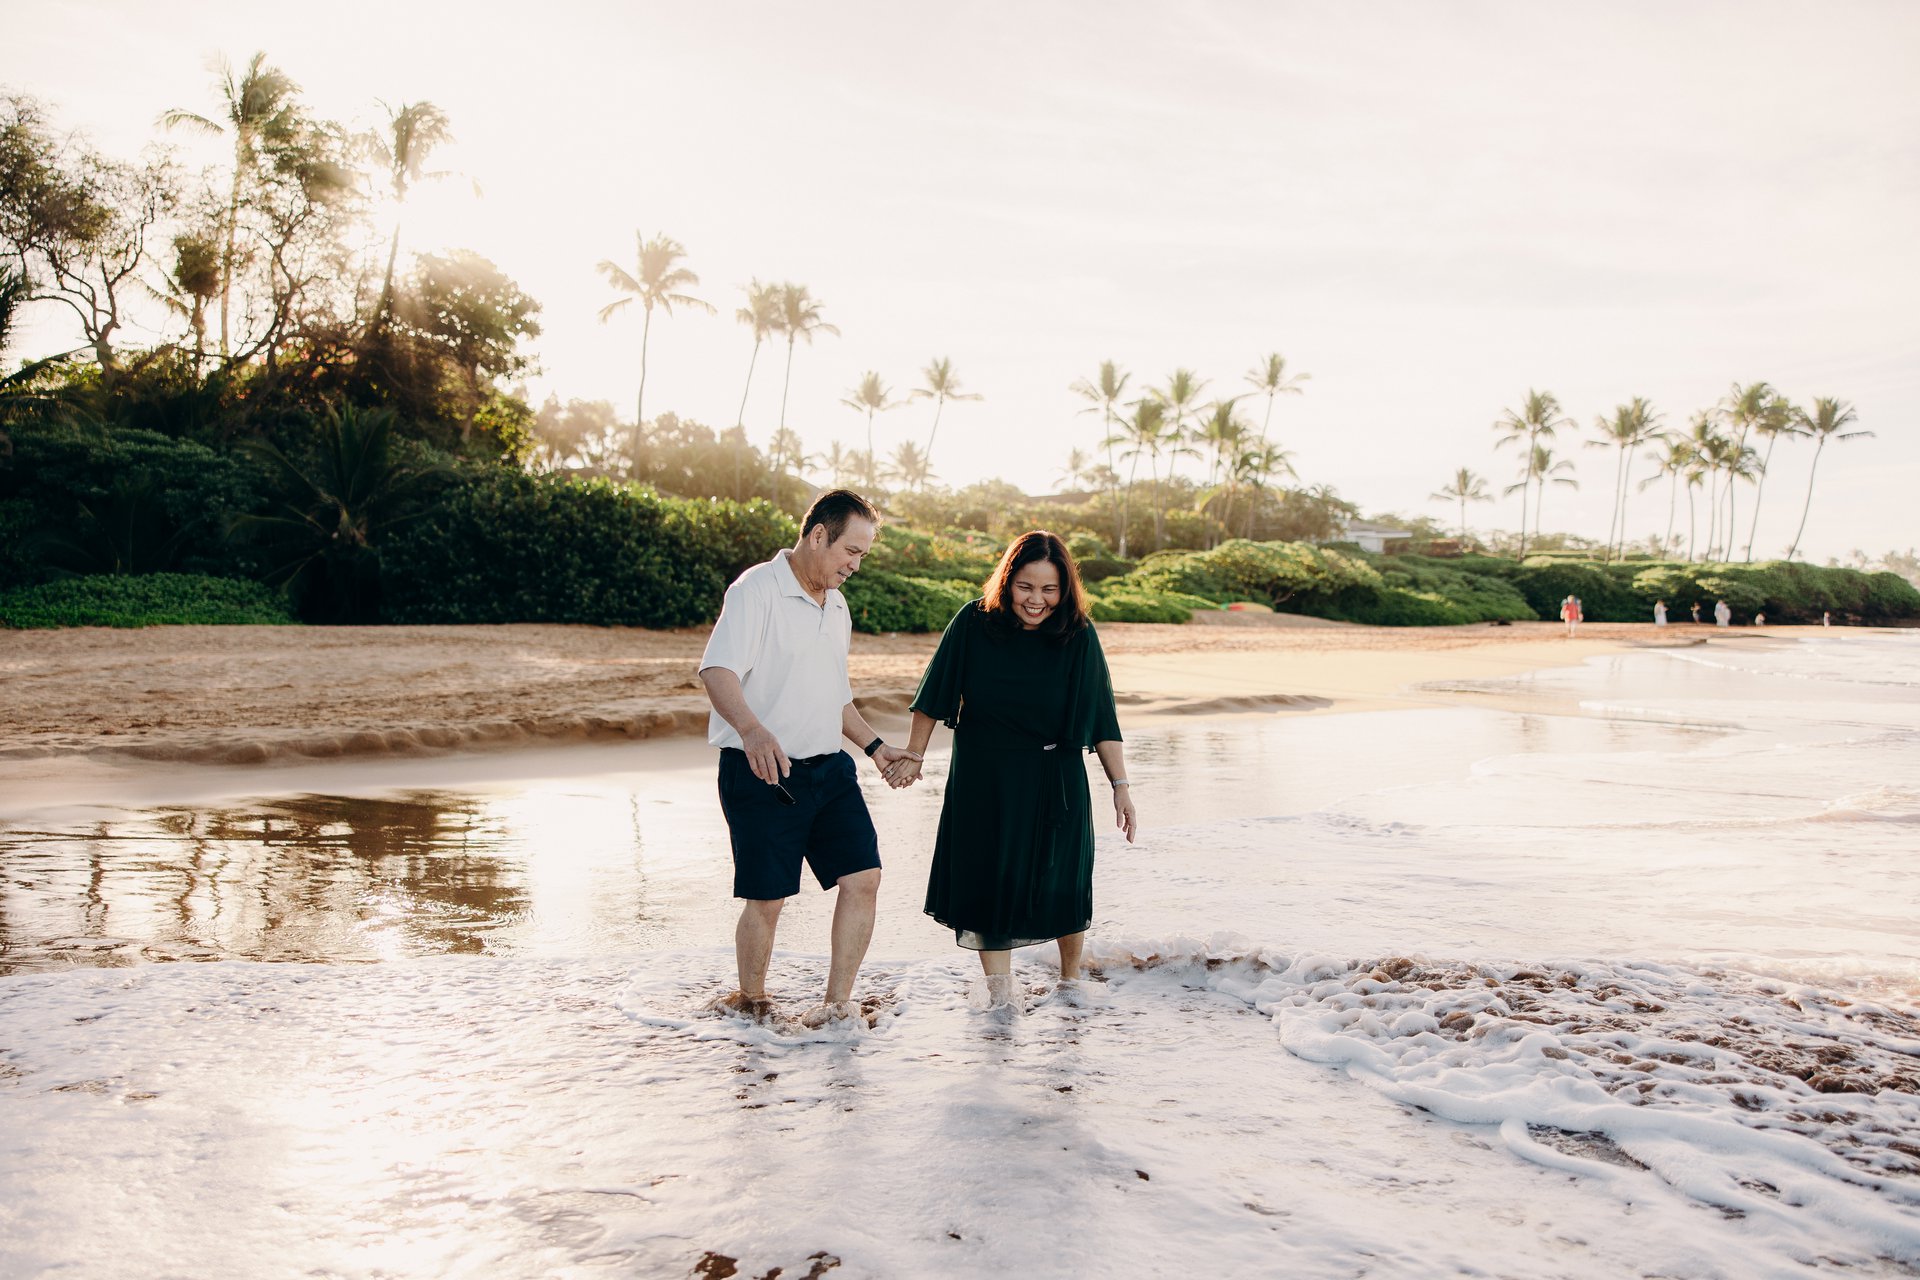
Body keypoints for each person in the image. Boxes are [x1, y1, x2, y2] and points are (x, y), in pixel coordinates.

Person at [886, 531, 1137, 1009]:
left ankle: (1070, 987)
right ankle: (1000, 1001)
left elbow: (1103, 716)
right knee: (991, 880)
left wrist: (1120, 786)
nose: (1037, 600)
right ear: (1007, 580)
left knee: (1064, 879)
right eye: (1026, 587)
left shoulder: (1078, 634)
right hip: (986, 777)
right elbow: (935, 694)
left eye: (1049, 590)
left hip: (1056, 775)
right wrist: (915, 755)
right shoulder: (973, 623)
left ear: (1064, 590)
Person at [697, 489, 918, 1028]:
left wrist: (874, 748)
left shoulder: (836, 605)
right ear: (818, 534)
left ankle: (837, 1006)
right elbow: (717, 670)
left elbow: (834, 696)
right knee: (767, 900)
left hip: (831, 771)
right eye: (852, 551)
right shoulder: (756, 590)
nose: (855, 565)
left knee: (864, 878)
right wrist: (751, 731)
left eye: (863, 555)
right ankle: (751, 1002)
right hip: (763, 773)